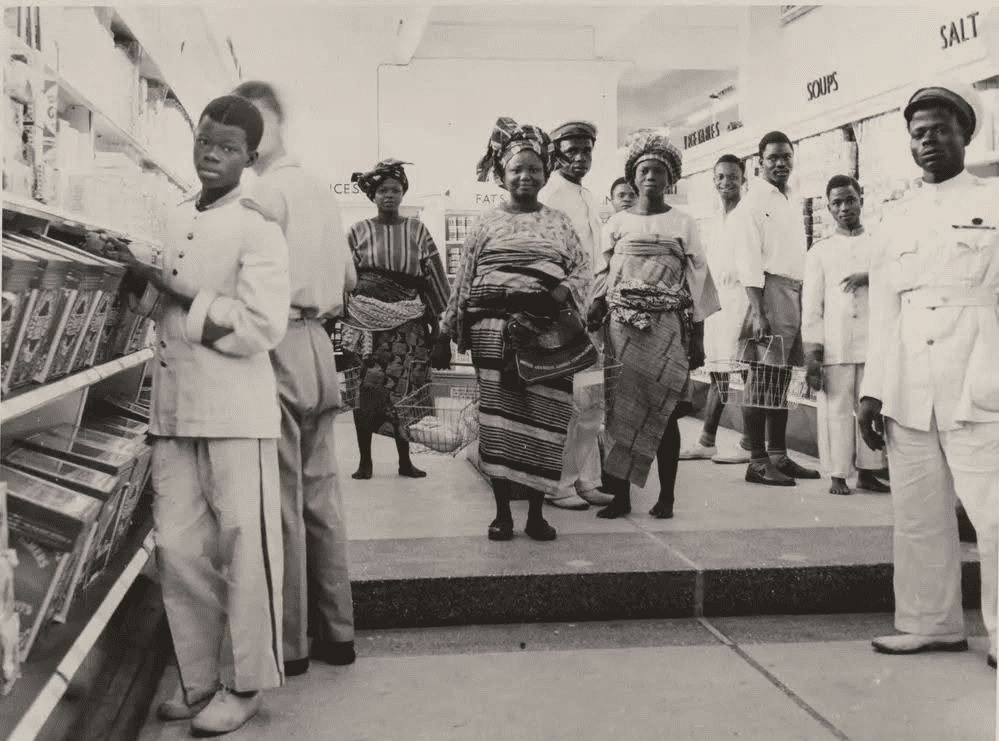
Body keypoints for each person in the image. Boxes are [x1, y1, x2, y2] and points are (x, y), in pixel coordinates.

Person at [119, 96, 289, 735]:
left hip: (236, 412)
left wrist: (180, 295)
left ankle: (246, 685)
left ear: (249, 156)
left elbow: (262, 327)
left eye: (226, 147)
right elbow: (156, 312)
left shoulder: (258, 223)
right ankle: (200, 680)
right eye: (204, 141)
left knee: (247, 547)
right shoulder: (172, 215)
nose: (210, 155)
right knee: (181, 549)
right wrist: (134, 281)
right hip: (172, 410)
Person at [857, 81, 998, 668]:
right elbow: (885, 307)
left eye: (941, 129)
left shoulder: (994, 202)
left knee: (994, 512)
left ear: (967, 133)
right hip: (909, 379)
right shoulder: (894, 215)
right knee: (917, 512)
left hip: (978, 372)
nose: (930, 141)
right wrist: (871, 389)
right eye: (919, 134)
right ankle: (929, 623)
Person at [233, 81, 357, 678]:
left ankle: (292, 644)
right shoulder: (320, 192)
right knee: (322, 495)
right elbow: (350, 277)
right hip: (319, 345)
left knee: (279, 498)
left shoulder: (260, 195)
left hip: (276, 342)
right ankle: (340, 631)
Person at [432, 117, 592, 541]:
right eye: (516, 169)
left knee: (548, 420)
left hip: (548, 335)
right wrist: (448, 330)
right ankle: (503, 512)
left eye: (534, 169)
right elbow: (464, 278)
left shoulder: (559, 222)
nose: (525, 176)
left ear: (545, 173)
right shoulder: (485, 223)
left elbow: (581, 270)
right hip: (492, 335)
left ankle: (537, 513)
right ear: (502, 174)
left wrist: (558, 295)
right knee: (498, 421)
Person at [587, 130, 719, 519]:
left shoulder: (684, 222)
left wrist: (697, 337)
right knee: (622, 414)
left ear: (670, 178)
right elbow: (603, 271)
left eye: (659, 172)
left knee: (666, 414)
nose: (651, 178)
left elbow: (698, 280)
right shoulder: (617, 222)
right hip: (622, 330)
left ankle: (668, 497)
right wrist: (595, 304)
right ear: (633, 176)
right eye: (644, 170)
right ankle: (623, 498)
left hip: (667, 330)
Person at [341, 159, 451, 480]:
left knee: (406, 393)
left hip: (409, 324)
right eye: (382, 190)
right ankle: (365, 461)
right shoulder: (357, 231)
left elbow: (434, 281)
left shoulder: (417, 230)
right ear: (372, 195)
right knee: (366, 392)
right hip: (364, 325)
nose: (389, 195)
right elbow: (343, 279)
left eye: (396, 190)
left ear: (404, 194)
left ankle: (405, 460)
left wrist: (440, 330)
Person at [728, 131, 820, 486]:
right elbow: (747, 259)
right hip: (767, 292)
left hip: (792, 292)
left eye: (786, 157)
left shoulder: (786, 198)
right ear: (759, 162)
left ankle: (779, 455)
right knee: (761, 378)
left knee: (780, 379)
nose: (781, 163)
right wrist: (759, 311)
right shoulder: (753, 202)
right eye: (773, 158)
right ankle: (757, 460)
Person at [538, 120, 614, 510]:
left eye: (587, 150)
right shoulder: (552, 196)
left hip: (589, 313)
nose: (581, 157)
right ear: (556, 153)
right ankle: (559, 483)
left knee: (590, 401)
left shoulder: (585, 195)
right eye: (573, 150)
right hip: (563, 314)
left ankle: (586, 479)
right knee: (569, 402)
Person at [802, 174, 889, 496]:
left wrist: (871, 276)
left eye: (849, 200)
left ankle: (868, 471)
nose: (844, 208)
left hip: (873, 341)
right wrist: (813, 352)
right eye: (836, 202)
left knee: (871, 406)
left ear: (861, 199)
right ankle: (838, 474)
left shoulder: (879, 245)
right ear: (828, 207)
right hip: (835, 343)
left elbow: (895, 283)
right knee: (836, 410)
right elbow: (811, 306)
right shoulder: (820, 252)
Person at [680, 154, 753, 464]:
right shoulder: (710, 219)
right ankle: (707, 440)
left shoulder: (749, 214)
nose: (726, 182)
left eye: (732, 176)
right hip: (718, 303)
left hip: (745, 299)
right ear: (714, 181)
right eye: (720, 177)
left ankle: (750, 445)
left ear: (743, 179)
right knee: (718, 373)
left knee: (750, 371)